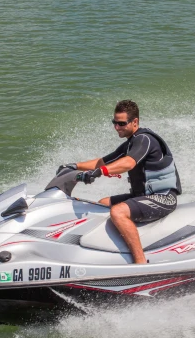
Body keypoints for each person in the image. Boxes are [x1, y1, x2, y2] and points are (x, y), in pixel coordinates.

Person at [57, 100, 182, 264]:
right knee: (101, 204)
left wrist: (99, 172)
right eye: (114, 122)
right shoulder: (130, 143)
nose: (117, 127)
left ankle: (140, 263)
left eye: (121, 123)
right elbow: (102, 162)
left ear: (135, 122)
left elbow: (128, 163)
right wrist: (74, 166)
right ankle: (108, 253)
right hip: (141, 195)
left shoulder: (144, 140)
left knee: (118, 211)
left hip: (163, 197)